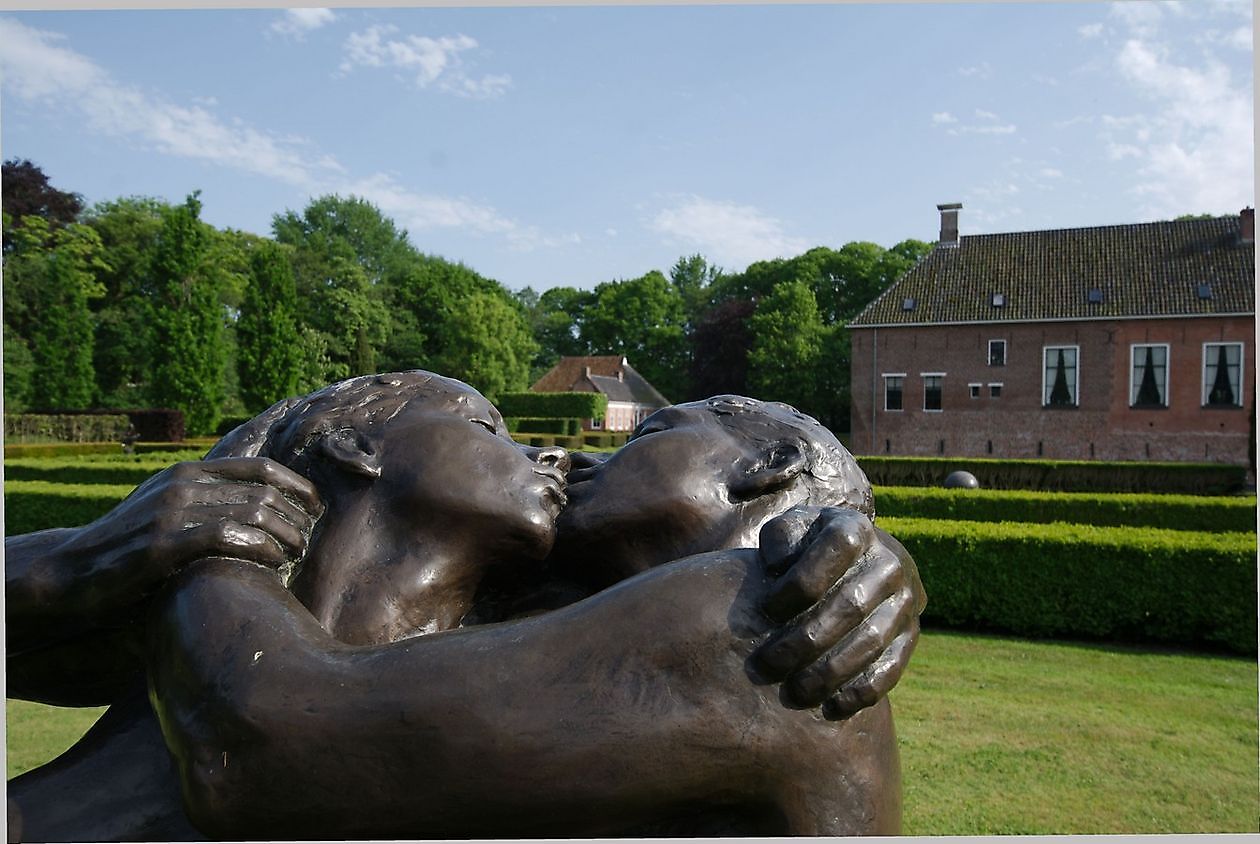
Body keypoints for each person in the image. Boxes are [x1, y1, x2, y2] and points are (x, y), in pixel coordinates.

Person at [8, 373, 921, 839]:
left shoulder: (757, 621)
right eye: (491, 429)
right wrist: (94, 553)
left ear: (759, 472)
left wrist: (210, 536)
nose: (564, 457)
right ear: (361, 446)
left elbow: (260, 737)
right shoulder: (512, 634)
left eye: (652, 431)